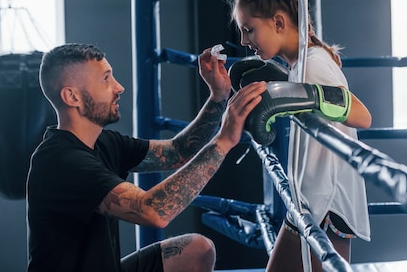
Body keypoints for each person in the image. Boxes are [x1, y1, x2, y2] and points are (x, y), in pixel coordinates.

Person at [26, 42, 266, 272]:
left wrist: (218, 97)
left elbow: (178, 151)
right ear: (72, 97)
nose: (119, 87)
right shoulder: (63, 162)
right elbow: (154, 211)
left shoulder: (103, 142)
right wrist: (223, 141)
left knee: (197, 250)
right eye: (106, 79)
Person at [231, 0, 373, 271]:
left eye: (249, 29)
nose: (244, 41)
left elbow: (362, 115)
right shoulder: (300, 65)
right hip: (310, 199)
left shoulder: (314, 64)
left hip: (328, 203)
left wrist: (302, 93)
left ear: (279, 22)